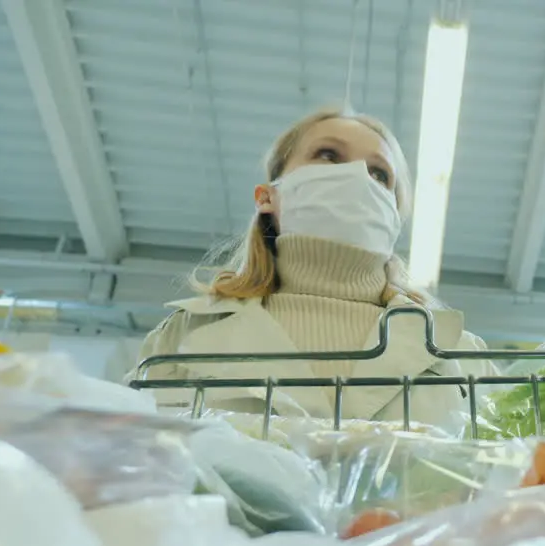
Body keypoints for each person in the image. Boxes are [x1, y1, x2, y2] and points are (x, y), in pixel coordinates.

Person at [127, 107, 495, 427]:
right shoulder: (182, 336)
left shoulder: (461, 356)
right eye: (329, 155)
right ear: (267, 196)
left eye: (380, 174)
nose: (356, 177)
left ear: (394, 216)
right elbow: (118, 459)